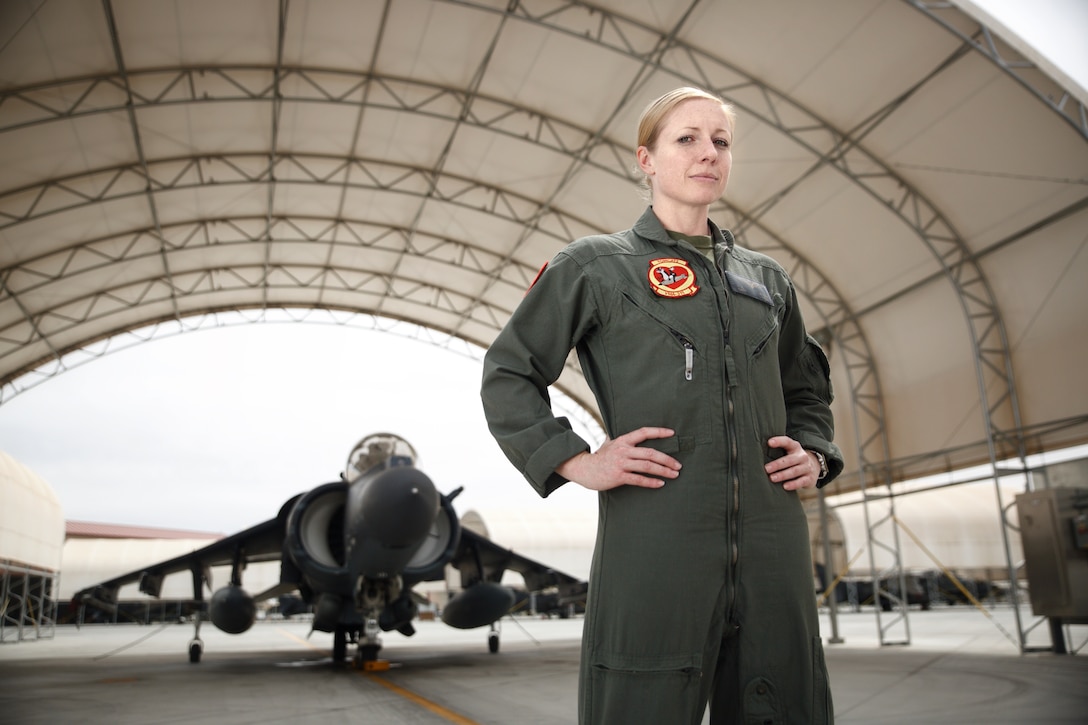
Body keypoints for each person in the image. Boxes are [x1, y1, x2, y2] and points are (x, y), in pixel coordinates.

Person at [480, 86, 843, 724]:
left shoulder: (768, 281)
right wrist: (574, 460)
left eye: (720, 141)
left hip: (772, 539)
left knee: (786, 700)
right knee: (639, 702)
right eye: (687, 139)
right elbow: (509, 372)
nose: (708, 154)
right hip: (656, 534)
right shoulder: (595, 267)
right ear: (646, 158)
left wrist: (814, 452)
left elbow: (806, 388)